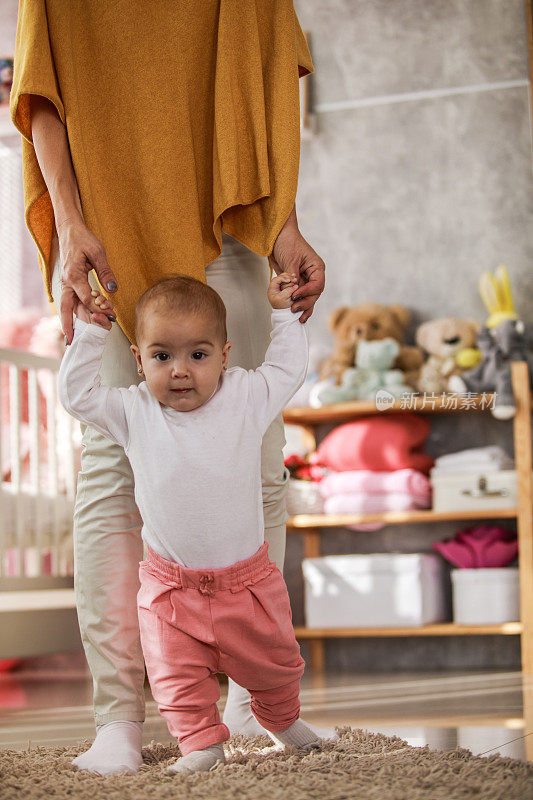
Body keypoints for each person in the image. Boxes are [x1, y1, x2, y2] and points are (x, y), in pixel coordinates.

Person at [11, 0, 327, 775]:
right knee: (113, 471)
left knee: (257, 457)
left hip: (231, 221)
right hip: (110, 224)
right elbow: (42, 91)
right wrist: (71, 225)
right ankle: (118, 713)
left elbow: (264, 84)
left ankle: (249, 691)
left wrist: (284, 223)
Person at [58, 271, 321, 774]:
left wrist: (284, 316)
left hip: (248, 585)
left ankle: (282, 719)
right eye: (162, 357)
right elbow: (77, 397)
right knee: (175, 679)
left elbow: (287, 370)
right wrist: (91, 333)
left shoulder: (245, 395)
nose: (180, 371)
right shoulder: (133, 410)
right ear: (138, 359)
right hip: (169, 591)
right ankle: (200, 745)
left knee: (277, 664)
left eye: (197, 355)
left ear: (224, 355)